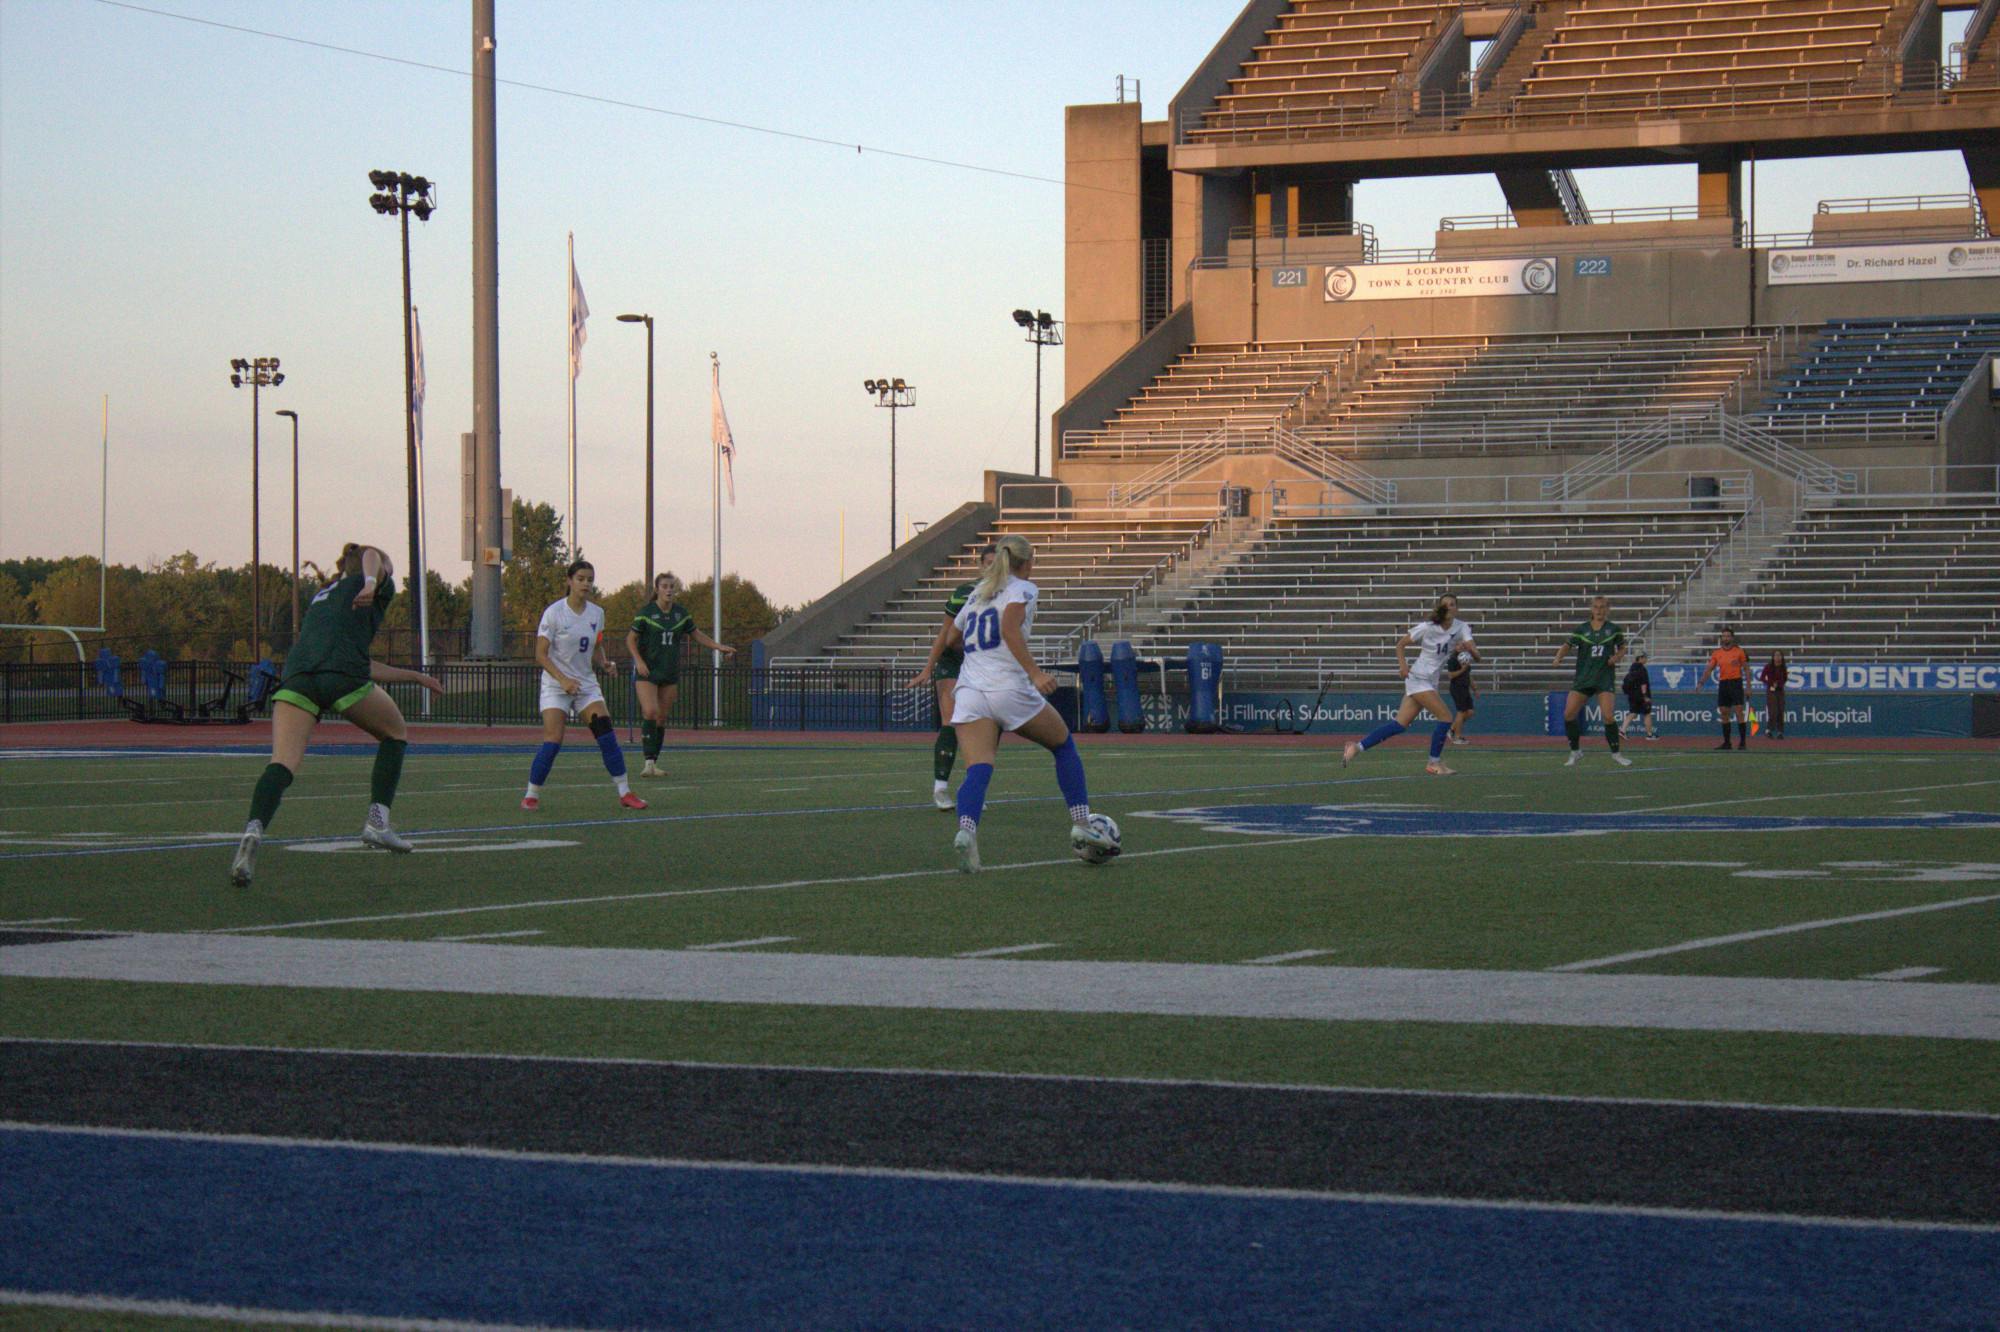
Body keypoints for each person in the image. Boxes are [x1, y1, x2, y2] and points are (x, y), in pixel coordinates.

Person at [230, 542, 443, 887]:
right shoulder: (369, 581)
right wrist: (373, 581)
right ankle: (377, 822)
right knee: (396, 733)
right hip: (340, 675)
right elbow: (372, 553)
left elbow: (358, 661)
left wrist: (415, 676)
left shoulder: (324, 596)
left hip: (300, 675)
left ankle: (253, 829)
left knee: (282, 763)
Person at [939, 534, 1116, 872]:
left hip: (971, 691)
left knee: (979, 768)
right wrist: (1034, 672)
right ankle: (1081, 823)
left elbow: (951, 638)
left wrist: (979, 655)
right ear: (1026, 562)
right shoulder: (1023, 587)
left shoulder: (979, 592)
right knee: (1063, 745)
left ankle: (967, 832)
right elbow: (1008, 627)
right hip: (1008, 688)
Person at [523, 559, 646, 811]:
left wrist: (604, 663)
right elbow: (541, 655)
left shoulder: (597, 613)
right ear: (569, 581)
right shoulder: (554, 613)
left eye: (590, 579)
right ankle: (531, 794)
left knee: (606, 734)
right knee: (553, 739)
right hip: (556, 685)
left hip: (586, 685)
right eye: (580, 578)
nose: (586, 583)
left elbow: (596, 644)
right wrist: (563, 680)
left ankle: (625, 792)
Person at [1342, 596, 1477, 776]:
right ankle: (1433, 763)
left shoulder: (1462, 627)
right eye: (1445, 605)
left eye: (1452, 604)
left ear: (1456, 609)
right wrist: (1403, 666)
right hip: (1419, 677)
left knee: (1399, 725)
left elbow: (1477, 655)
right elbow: (1401, 644)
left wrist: (1470, 649)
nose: (1449, 608)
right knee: (1445, 717)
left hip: (1430, 681)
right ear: (1440, 609)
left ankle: (1356, 747)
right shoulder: (1428, 627)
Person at [626, 572, 734, 779]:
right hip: (648, 671)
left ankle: (653, 763)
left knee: (661, 718)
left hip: (669, 670)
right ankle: (647, 762)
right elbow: (630, 639)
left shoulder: (681, 614)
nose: (669, 590)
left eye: (672, 586)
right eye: (665, 586)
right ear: (657, 589)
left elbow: (697, 635)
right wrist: (639, 661)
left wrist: (719, 647)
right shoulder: (646, 613)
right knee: (650, 711)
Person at [909, 577, 978, 809]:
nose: (992, 566)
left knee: (980, 725)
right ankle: (940, 788)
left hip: (980, 660)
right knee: (950, 720)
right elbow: (945, 634)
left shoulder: (1008, 592)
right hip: (952, 659)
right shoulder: (965, 593)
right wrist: (928, 668)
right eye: (987, 562)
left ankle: (972, 787)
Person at [1552, 594, 1633, 768]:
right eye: (1596, 607)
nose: (1599, 610)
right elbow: (1567, 645)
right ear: (1591, 609)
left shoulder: (1614, 629)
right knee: (1568, 714)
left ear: (1608, 609)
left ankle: (1616, 753)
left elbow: (1623, 647)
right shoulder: (1582, 629)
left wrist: (1617, 657)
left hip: (1604, 678)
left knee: (1608, 716)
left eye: (1603, 607)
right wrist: (1558, 657)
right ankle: (1575, 751)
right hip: (1583, 678)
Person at [1700, 626, 1752, 750]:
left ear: (1732, 638)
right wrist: (1701, 682)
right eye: (1724, 636)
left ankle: (1743, 742)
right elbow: (1709, 668)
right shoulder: (1717, 653)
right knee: (1724, 713)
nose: (1726, 638)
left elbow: (1746, 669)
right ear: (1721, 638)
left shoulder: (1739, 651)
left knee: (1739, 711)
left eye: (1728, 636)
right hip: (1723, 684)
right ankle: (1727, 742)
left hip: (1736, 683)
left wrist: (1748, 686)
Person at [1622, 651, 1658, 740]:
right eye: (1645, 657)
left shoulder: (1632, 668)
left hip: (1632, 695)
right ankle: (1649, 734)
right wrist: (1645, 696)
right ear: (1640, 658)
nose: (1646, 659)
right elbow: (1643, 684)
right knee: (1647, 713)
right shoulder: (1642, 669)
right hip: (1641, 696)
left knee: (1633, 713)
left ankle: (1622, 730)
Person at [1445, 649, 1477, 745]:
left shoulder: (1465, 657)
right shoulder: (1452, 660)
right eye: (1458, 644)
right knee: (1461, 712)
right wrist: (1462, 669)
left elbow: (1468, 675)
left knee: (1470, 712)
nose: (1461, 646)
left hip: (1465, 688)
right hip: (1457, 688)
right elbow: (1451, 676)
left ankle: (1452, 730)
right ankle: (1457, 737)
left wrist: (1474, 688)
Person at [1759, 649, 1789, 741]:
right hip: (1771, 691)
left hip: (1780, 691)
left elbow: (1785, 678)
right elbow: (1762, 678)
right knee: (1773, 711)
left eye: (1779, 655)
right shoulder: (1768, 667)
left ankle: (1780, 731)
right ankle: (1769, 730)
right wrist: (1770, 683)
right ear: (1773, 657)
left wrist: (1779, 684)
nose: (1777, 657)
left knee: (1781, 710)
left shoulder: (1783, 667)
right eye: (1776, 655)